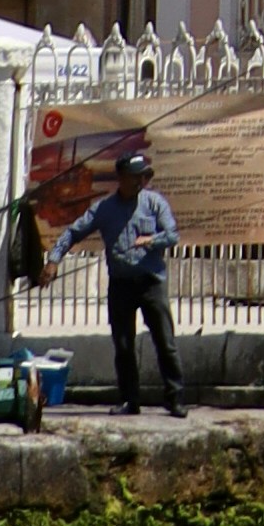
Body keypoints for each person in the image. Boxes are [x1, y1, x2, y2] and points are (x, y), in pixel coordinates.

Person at [64, 157, 185, 415]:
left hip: (151, 282)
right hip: (120, 285)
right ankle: (130, 400)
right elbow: (74, 232)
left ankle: (174, 398)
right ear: (121, 177)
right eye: (134, 176)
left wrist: (152, 240)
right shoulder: (105, 209)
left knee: (165, 342)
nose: (139, 181)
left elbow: (173, 235)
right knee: (123, 345)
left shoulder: (155, 203)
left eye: (142, 176)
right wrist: (53, 260)